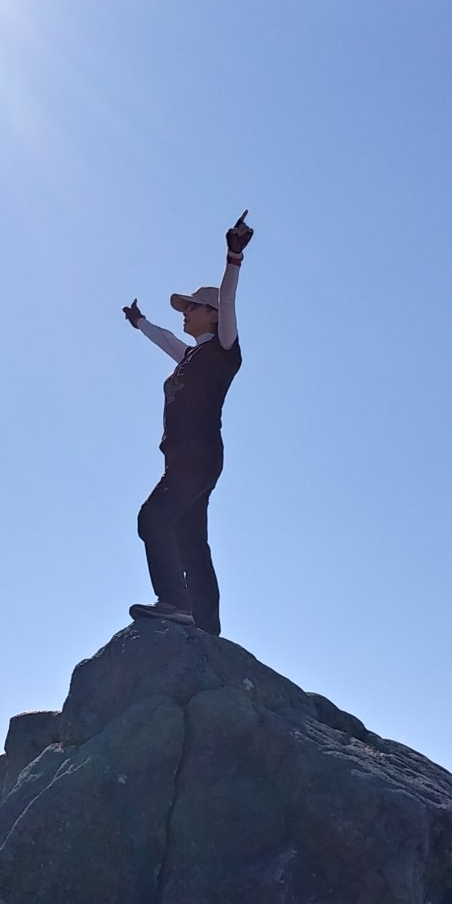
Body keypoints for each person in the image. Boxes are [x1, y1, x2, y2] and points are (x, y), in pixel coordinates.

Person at [122, 212, 254, 635]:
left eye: (192, 307)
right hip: (184, 458)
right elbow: (168, 341)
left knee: (152, 518)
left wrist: (233, 257)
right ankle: (205, 627)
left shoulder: (223, 348)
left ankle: (174, 603)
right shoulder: (191, 356)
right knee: (191, 543)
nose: (185, 312)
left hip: (197, 456)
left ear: (212, 315)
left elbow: (230, 300)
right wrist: (140, 323)